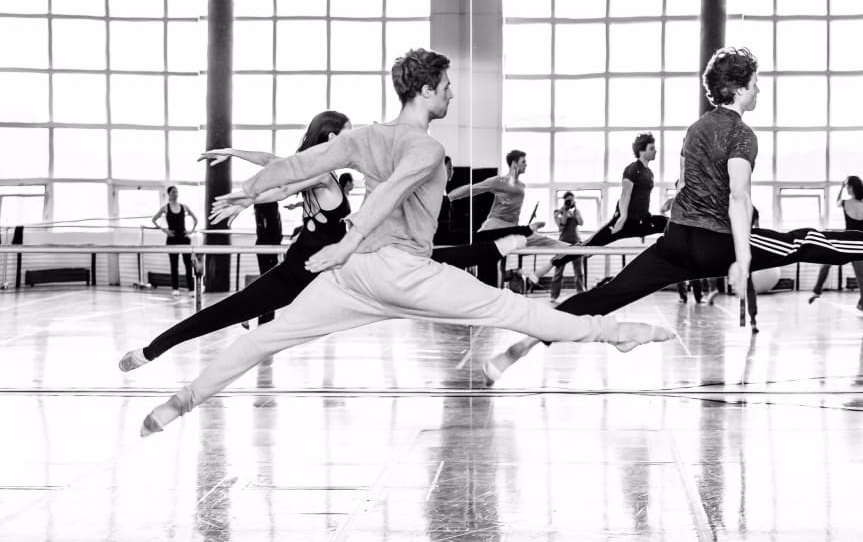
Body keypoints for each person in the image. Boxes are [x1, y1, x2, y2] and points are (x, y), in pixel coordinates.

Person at [137, 48, 670, 435]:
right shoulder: (425, 149)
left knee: (264, 338)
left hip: (354, 278)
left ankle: (180, 403)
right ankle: (615, 332)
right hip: (401, 271)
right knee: (517, 311)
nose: (452, 94)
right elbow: (389, 192)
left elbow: (300, 163)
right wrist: (345, 243)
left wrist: (249, 190)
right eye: (446, 87)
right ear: (425, 91)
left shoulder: (365, 137)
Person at [482, 47, 863, 381]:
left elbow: (685, 187)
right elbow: (738, 197)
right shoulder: (741, 134)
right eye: (755, 81)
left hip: (676, 242)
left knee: (606, 294)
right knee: (802, 241)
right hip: (716, 243)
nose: (759, 88)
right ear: (737, 87)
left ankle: (517, 349)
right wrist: (740, 258)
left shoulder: (696, 128)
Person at [119, 110, 531, 373]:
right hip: (312, 270)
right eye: (345, 138)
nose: (352, 146)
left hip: (330, 266)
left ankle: (501, 247)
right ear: (329, 138)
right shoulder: (322, 174)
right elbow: (280, 175)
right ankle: (151, 350)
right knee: (227, 312)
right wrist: (250, 193)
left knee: (436, 262)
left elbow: (276, 165)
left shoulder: (321, 172)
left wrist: (235, 154)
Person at [448, 149, 569, 289]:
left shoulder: (521, 185)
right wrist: (449, 198)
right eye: (523, 162)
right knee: (476, 249)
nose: (526, 165)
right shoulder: (499, 181)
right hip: (495, 225)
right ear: (514, 164)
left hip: (512, 227)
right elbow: (473, 188)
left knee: (543, 240)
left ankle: (579, 249)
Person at [548, 132, 669, 272]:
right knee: (589, 244)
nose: (655, 151)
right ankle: (552, 263)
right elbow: (625, 195)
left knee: (669, 223)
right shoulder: (633, 169)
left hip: (642, 221)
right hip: (623, 222)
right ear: (642, 150)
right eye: (652, 148)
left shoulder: (649, 173)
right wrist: (622, 218)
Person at [807, 176, 863, 322]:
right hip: (861, 246)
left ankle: (817, 290)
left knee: (826, 263)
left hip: (846, 242)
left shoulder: (845, 202)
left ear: (851, 187)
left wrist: (840, 187)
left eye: (847, 187)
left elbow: (837, 202)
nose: (846, 189)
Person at [151, 185, 198, 296]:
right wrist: (165, 230)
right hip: (172, 238)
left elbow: (195, 219)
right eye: (173, 192)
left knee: (188, 265)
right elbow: (154, 220)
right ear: (169, 194)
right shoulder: (165, 208)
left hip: (184, 238)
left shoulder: (184, 207)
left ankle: (191, 289)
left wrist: (191, 231)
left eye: (176, 192)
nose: (175, 194)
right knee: (174, 265)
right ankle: (175, 289)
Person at [549, 191, 585, 302]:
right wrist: (564, 211)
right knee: (559, 270)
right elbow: (562, 226)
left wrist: (576, 210)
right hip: (562, 244)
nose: (570, 202)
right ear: (564, 201)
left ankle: (581, 293)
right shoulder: (558, 212)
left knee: (579, 271)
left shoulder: (576, 212)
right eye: (568, 200)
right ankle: (554, 296)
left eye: (572, 200)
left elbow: (581, 222)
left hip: (576, 243)